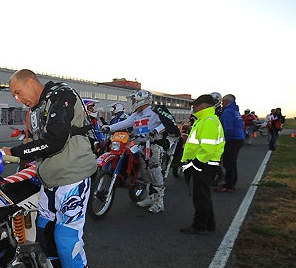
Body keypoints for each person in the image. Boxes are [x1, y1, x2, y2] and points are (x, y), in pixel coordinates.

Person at [0, 69, 95, 268]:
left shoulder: (61, 94)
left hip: (72, 179)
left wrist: (12, 153)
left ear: (31, 82)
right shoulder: (38, 109)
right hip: (50, 182)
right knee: (44, 235)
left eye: (18, 92)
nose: (18, 99)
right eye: (14, 95)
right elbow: (36, 145)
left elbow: (54, 141)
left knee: (66, 241)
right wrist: (10, 154)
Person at [103, 90, 175, 213]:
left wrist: (156, 131)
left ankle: (159, 202)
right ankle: (149, 198)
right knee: (145, 173)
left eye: (135, 100)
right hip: (141, 145)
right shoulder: (137, 114)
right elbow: (125, 123)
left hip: (154, 145)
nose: (133, 102)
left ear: (142, 99)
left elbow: (168, 122)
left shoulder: (156, 110)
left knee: (154, 172)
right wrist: (109, 128)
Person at [179, 94, 225, 234]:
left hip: (204, 164)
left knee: (200, 196)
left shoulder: (208, 121)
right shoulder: (204, 120)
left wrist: (196, 163)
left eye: (196, 105)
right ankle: (209, 224)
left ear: (204, 106)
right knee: (203, 195)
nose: (193, 107)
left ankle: (200, 225)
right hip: (204, 163)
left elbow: (208, 147)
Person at [214, 94, 244, 193]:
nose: (222, 104)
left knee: (228, 163)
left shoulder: (227, 112)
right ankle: (231, 183)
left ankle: (228, 185)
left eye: (223, 102)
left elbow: (228, 128)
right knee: (232, 162)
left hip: (231, 139)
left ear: (227, 101)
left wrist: (223, 140)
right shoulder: (235, 111)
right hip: (239, 138)